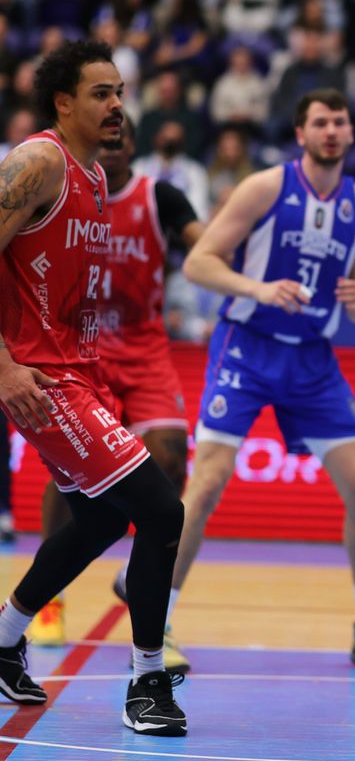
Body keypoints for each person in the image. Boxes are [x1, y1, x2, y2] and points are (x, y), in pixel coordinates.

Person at [174, 88, 355, 672]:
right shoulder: (264, 187)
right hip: (247, 347)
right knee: (205, 484)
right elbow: (197, 262)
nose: (331, 130)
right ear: (300, 134)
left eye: (339, 121)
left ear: (352, 133)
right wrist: (258, 289)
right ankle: (155, 623)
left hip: (312, 358)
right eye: (320, 122)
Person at [0, 39, 186, 735]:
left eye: (120, 92)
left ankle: (5, 637)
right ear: (64, 102)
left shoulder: (96, 177)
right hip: (40, 380)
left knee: (106, 518)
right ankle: (146, 682)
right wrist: (6, 367)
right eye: (101, 93)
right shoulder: (39, 161)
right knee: (162, 510)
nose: (116, 104)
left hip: (80, 371)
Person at [29, 118, 204, 672]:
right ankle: (48, 602)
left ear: (134, 147)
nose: (115, 139)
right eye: (108, 128)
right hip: (86, 349)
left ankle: (136, 579)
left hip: (145, 347)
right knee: (74, 487)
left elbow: (204, 247)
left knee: (170, 457)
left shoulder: (160, 196)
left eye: (125, 134)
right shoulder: (61, 184)